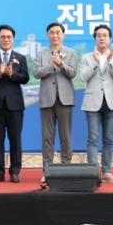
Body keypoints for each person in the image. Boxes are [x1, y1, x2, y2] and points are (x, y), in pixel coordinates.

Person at [0, 24, 30, 183]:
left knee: (15, 139)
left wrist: (12, 73)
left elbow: (25, 78)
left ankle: (15, 171)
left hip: (15, 105)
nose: (6, 39)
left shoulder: (20, 58)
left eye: (9, 37)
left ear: (13, 39)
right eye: (3, 37)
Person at [79, 24, 113, 183]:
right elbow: (82, 78)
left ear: (109, 38)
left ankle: (106, 171)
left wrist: (110, 61)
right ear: (95, 38)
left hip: (111, 102)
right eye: (99, 35)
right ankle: (93, 173)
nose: (102, 38)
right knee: (93, 138)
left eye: (105, 35)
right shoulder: (86, 57)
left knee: (108, 139)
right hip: (93, 101)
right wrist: (95, 62)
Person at [34, 22, 78, 181]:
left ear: (63, 35)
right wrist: (50, 66)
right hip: (47, 99)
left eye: (58, 32)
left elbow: (72, 73)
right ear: (48, 35)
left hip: (65, 99)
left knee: (65, 136)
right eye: (51, 32)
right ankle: (48, 171)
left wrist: (61, 64)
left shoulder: (71, 52)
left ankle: (66, 168)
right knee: (47, 137)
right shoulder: (41, 53)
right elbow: (36, 73)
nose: (55, 35)